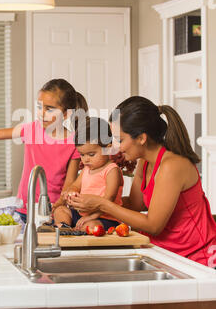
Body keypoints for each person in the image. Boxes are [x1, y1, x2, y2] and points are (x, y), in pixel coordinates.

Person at [69, 96, 216, 267]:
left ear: (141, 138)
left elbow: (153, 225)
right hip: (166, 253)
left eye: (121, 140)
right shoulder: (145, 162)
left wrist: (102, 204)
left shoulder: (172, 166)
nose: (117, 146)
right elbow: (134, 203)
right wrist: (95, 198)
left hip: (198, 259)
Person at [0, 79, 86, 223]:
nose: (42, 113)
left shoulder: (73, 143)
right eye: (39, 107)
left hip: (52, 211)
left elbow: (70, 182)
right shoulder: (32, 130)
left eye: (50, 109)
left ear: (66, 114)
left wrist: (59, 204)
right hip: (24, 208)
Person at [54, 117, 123, 232]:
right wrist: (71, 193)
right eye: (82, 154)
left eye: (91, 154)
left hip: (104, 217)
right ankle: (64, 228)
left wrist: (91, 217)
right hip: (81, 215)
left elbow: (108, 200)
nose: (85, 160)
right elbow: (75, 185)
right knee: (60, 210)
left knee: (92, 226)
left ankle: (78, 230)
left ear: (108, 148)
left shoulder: (112, 170)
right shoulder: (86, 169)